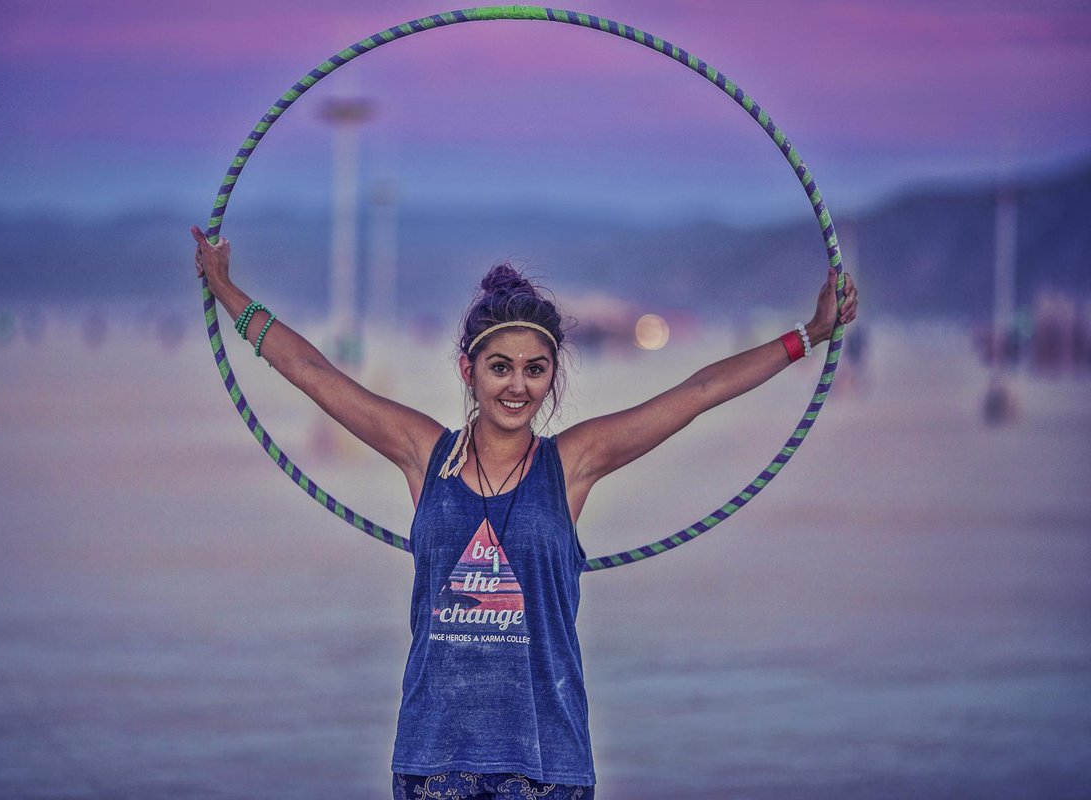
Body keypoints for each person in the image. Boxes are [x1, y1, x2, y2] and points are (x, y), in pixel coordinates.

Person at [190, 225, 858, 799]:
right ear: (467, 370)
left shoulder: (572, 463)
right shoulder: (425, 455)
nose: (517, 385)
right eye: (500, 367)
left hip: (546, 760)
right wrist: (224, 290)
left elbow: (699, 391)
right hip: (434, 759)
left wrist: (810, 333)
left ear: (552, 374)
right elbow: (312, 371)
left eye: (535, 369)